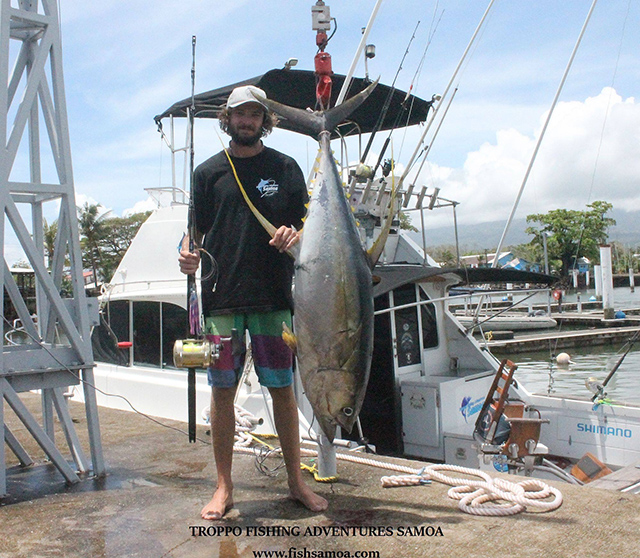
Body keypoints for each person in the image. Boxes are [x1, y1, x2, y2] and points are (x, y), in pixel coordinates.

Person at [178, 85, 328, 520]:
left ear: (265, 120)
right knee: (222, 392)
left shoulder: (285, 167)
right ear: (227, 118)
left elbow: (309, 223)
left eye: (254, 115)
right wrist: (187, 253)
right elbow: (196, 231)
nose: (246, 121)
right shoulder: (207, 173)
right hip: (220, 301)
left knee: (282, 389)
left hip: (273, 296)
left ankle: (296, 482)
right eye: (239, 114)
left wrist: (295, 235)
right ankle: (224, 487)